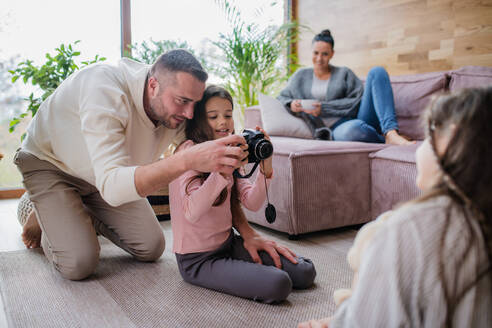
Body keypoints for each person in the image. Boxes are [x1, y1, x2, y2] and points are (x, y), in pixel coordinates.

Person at [14, 50, 252, 281]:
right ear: (153, 85)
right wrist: (184, 160)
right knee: (79, 263)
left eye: (195, 103)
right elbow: (115, 186)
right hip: (50, 162)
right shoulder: (104, 89)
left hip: (104, 177)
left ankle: (74, 209)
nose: (190, 113)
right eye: (182, 101)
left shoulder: (179, 113)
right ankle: (48, 214)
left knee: (151, 246)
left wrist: (248, 233)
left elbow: (221, 175)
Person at [298, 86, 492, 327]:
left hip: (354, 125)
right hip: (334, 129)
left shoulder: (409, 228)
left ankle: (389, 132)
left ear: (451, 140)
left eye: (428, 134)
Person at [169, 85, 316, 303]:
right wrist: (220, 172)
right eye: (213, 116)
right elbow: (191, 211)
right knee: (278, 283)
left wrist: (266, 167)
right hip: (197, 259)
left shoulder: (229, 147)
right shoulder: (188, 152)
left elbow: (252, 202)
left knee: (304, 272)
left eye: (228, 115)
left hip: (228, 244)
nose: (223, 122)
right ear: (199, 120)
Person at [278, 29, 413, 145]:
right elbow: (282, 97)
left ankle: (391, 132)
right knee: (353, 131)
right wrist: (291, 104)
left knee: (377, 72)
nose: (319, 58)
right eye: (316, 53)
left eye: (324, 54)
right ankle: (383, 140)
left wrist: (324, 108)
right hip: (335, 129)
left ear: (332, 54)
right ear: (311, 52)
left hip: (354, 119)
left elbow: (357, 100)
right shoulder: (300, 76)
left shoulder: (344, 73)